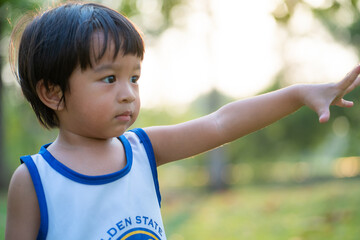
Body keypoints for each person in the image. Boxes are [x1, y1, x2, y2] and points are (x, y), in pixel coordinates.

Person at [5, 2, 360, 240]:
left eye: (135, 78)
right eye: (109, 79)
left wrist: (297, 95)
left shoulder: (143, 150)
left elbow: (222, 123)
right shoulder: (35, 180)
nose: (128, 93)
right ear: (52, 92)